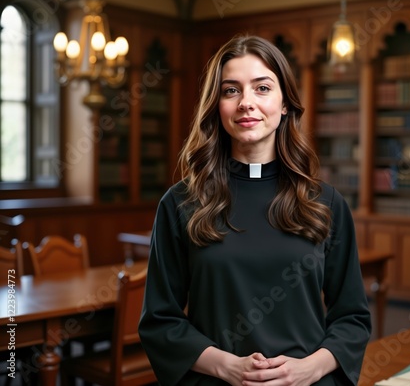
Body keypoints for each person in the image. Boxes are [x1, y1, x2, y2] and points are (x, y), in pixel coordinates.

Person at [138, 34, 371, 386]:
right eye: (231, 91)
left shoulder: (326, 203)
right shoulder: (180, 202)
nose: (246, 102)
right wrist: (227, 366)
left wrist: (310, 368)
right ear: (217, 105)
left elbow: (352, 317)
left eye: (262, 88)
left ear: (285, 104)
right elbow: (160, 320)